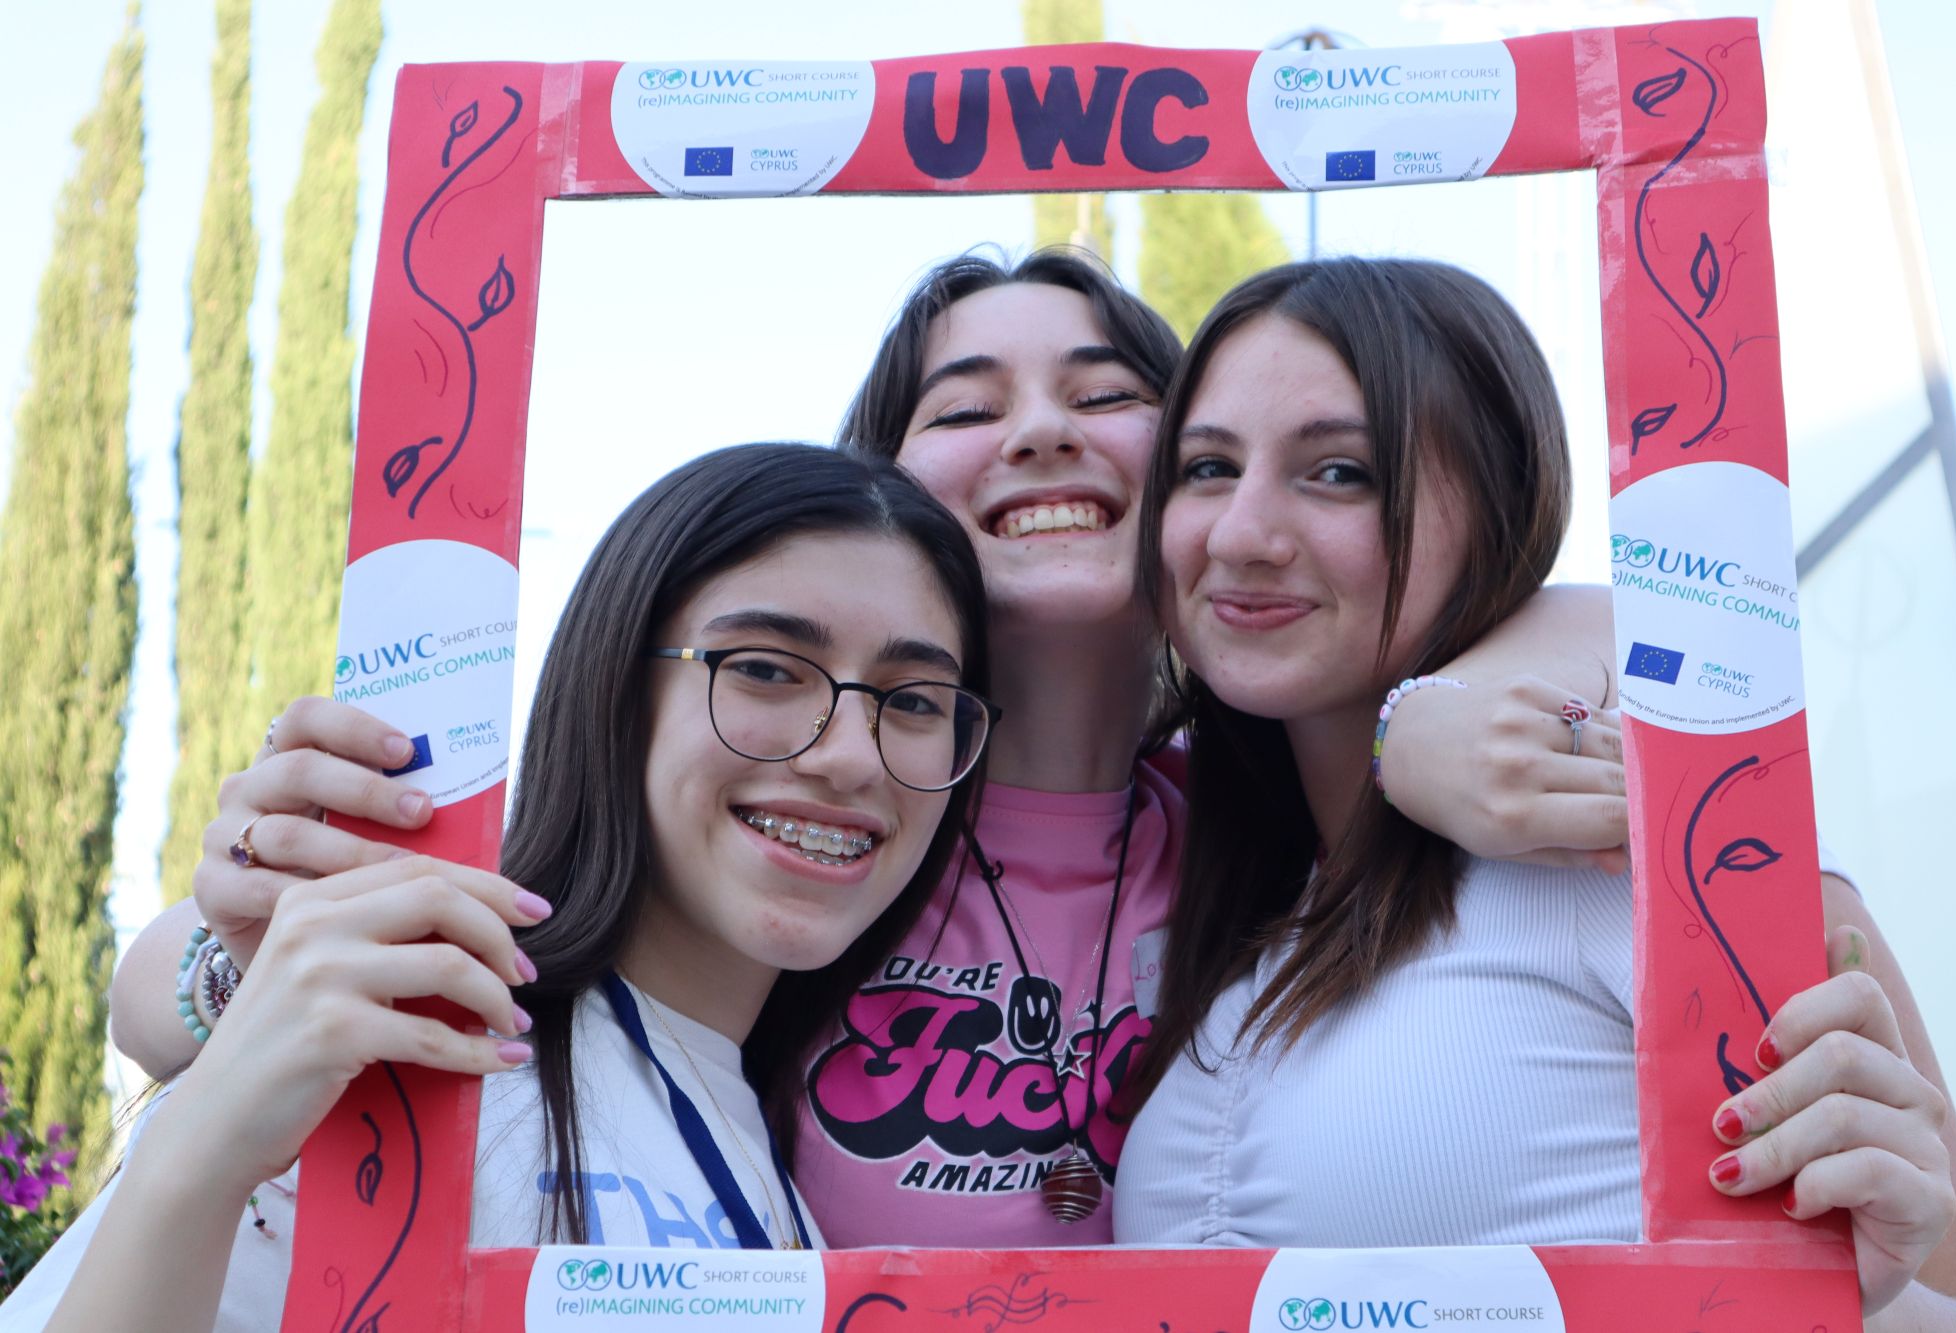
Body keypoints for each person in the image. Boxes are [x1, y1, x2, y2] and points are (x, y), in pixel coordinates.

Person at [106, 250, 1629, 1248]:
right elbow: (207, 996)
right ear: (875, 493)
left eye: (1108, 396)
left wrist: (1428, 711)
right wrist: (240, 960)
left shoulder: (1273, 823)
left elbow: (1600, 636)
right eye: (966, 408)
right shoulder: (806, 816)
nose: (1038, 433)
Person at [1112, 257, 1956, 1327]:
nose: (1238, 532)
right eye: (1205, 468)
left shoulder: (1660, 849)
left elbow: (1951, 1289)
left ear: (1496, 500)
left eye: (1338, 471)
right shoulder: (1219, 897)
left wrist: (1859, 1299)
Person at [1, 444, 997, 1330]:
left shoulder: (775, 1148)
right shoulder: (410, 1048)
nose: (848, 757)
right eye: (768, 670)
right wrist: (209, 1125)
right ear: (616, 691)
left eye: (912, 700)